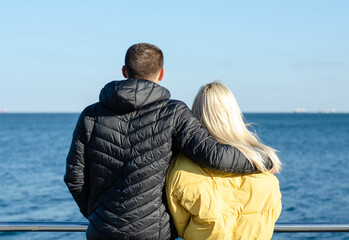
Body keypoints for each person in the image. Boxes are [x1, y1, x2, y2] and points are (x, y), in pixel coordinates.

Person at [64, 43, 273, 240]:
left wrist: (98, 215)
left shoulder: (90, 115)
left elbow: (75, 177)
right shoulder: (173, 112)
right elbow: (213, 155)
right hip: (154, 234)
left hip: (102, 232)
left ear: (124, 71)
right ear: (161, 73)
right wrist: (263, 161)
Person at [166, 82, 282, 240]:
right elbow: (271, 216)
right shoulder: (264, 166)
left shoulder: (181, 168)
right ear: (234, 114)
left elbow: (179, 226)